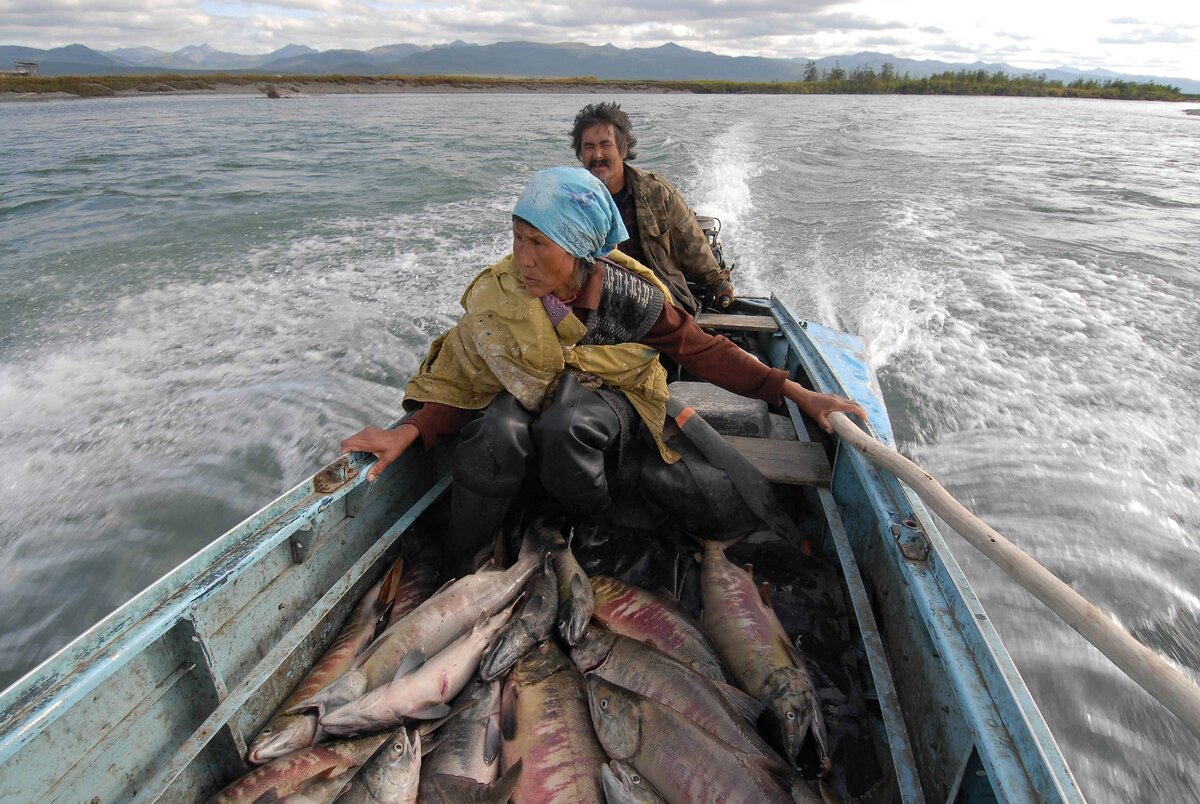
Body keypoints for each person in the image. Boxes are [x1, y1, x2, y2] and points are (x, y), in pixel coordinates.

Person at [341, 167, 864, 573]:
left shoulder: (628, 297)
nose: (522, 257)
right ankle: (465, 566)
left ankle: (587, 531)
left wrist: (796, 394)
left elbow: (701, 349)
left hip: (612, 400)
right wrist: (409, 431)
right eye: (517, 238)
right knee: (494, 431)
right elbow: (462, 374)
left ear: (576, 249)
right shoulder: (499, 296)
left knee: (566, 425)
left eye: (538, 244)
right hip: (531, 394)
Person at [571, 102, 734, 316]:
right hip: (596, 303)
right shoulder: (571, 201)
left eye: (605, 145)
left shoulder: (656, 192)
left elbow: (692, 245)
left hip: (657, 298)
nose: (597, 155)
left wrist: (717, 283)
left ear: (623, 149)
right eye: (589, 147)